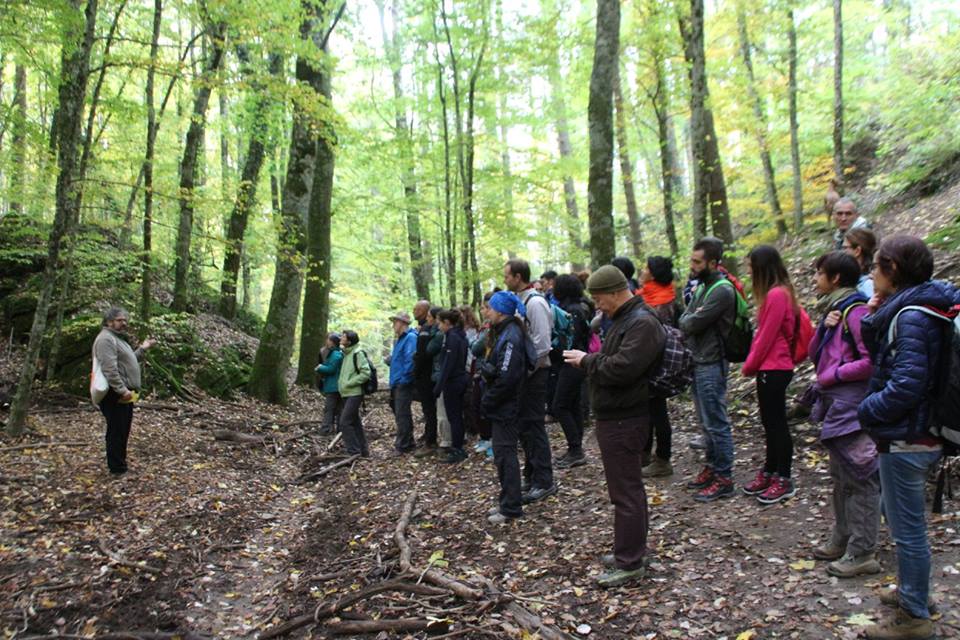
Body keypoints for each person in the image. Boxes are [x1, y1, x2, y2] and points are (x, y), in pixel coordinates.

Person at [857, 236, 957, 640]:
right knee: (901, 521)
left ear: (893, 270)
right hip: (916, 434)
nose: (870, 273)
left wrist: (865, 411)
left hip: (908, 438)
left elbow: (906, 385)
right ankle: (915, 592)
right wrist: (873, 316)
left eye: (876, 266)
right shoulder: (916, 308)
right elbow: (889, 357)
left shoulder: (912, 316)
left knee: (907, 529)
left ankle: (914, 617)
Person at [563, 265, 666, 587]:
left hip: (626, 417)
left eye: (598, 298)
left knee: (626, 493)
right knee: (626, 490)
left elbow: (623, 369)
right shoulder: (626, 319)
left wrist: (586, 361)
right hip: (616, 415)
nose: (597, 305)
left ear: (614, 292)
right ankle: (632, 549)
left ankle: (630, 561)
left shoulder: (642, 323)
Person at [807, 251, 880, 578]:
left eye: (819, 273)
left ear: (835, 278)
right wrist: (823, 328)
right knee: (840, 476)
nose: (815, 279)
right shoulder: (837, 310)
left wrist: (831, 376)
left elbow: (870, 362)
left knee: (859, 476)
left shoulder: (857, 310)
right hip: (838, 407)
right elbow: (814, 354)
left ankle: (863, 550)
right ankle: (843, 536)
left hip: (853, 408)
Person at [678, 238, 737, 501]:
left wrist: (690, 318)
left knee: (716, 422)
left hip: (712, 361)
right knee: (705, 422)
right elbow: (685, 317)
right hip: (699, 360)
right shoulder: (704, 286)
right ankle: (712, 468)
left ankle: (724, 477)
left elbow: (691, 322)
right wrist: (690, 318)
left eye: (697, 261)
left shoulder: (721, 290)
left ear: (713, 263)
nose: (692, 265)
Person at [740, 246, 799, 504]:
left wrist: (749, 365)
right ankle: (770, 470)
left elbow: (767, 336)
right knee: (769, 423)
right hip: (770, 367)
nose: (748, 270)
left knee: (776, 424)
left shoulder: (777, 295)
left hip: (775, 367)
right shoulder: (776, 293)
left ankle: (784, 477)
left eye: (751, 266)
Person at [504, 259, 556, 503]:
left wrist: (526, 369)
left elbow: (543, 344)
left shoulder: (535, 303)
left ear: (518, 276)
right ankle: (532, 474)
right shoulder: (520, 302)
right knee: (525, 427)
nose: (505, 280)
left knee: (534, 426)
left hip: (535, 374)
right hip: (524, 375)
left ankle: (544, 480)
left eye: (507, 275)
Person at [482, 291, 531, 524]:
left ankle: (511, 506)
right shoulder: (504, 332)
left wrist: (489, 399)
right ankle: (507, 501)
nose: (486, 312)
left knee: (505, 455)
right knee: (502, 455)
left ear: (500, 311)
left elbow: (508, 376)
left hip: (507, 406)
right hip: (503, 404)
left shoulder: (510, 336)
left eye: (489, 308)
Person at [92, 307, 156, 476]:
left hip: (124, 392)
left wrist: (143, 348)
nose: (124, 323)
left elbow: (128, 361)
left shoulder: (117, 339)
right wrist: (121, 390)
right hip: (115, 393)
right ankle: (117, 469)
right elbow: (109, 369)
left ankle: (120, 465)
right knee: (116, 431)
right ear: (109, 321)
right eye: (120, 320)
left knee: (122, 429)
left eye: (125, 320)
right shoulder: (106, 339)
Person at [638, 256, 682, 477]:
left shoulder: (661, 301)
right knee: (648, 410)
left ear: (653, 274)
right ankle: (645, 454)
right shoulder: (649, 295)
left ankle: (663, 459)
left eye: (645, 268)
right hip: (648, 362)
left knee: (657, 412)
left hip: (657, 364)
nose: (642, 271)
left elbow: (661, 335)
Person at [551, 274, 592, 468]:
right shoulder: (574, 308)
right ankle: (575, 448)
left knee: (560, 405)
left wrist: (556, 350)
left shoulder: (573, 311)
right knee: (572, 404)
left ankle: (576, 449)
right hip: (572, 362)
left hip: (572, 362)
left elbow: (572, 339)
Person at [434, 308, 470, 463]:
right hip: (460, 379)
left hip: (454, 381)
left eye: (439, 323)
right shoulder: (460, 336)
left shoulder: (452, 338)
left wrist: (438, 387)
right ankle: (458, 446)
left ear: (447, 323)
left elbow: (448, 364)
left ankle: (457, 449)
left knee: (454, 417)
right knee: (457, 417)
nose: (438, 327)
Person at [388, 312, 418, 455]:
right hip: (397, 382)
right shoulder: (399, 339)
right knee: (399, 412)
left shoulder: (410, 338)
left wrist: (403, 380)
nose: (394, 324)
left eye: (395, 321)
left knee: (402, 414)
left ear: (403, 323)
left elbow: (410, 360)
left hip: (403, 383)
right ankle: (408, 441)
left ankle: (403, 444)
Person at [337, 330, 371, 458]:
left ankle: (354, 452)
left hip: (354, 393)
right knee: (355, 423)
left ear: (349, 341)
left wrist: (349, 383)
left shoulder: (358, 353)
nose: (341, 338)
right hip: (346, 393)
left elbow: (365, 373)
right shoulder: (346, 353)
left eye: (344, 337)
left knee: (344, 422)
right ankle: (363, 451)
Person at [413, 302, 439, 456]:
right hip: (426, 375)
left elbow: (423, 354)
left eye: (418, 309)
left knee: (430, 410)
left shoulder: (426, 330)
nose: (414, 311)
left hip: (426, 376)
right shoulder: (424, 329)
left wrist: (415, 371)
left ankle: (431, 442)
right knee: (427, 409)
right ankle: (428, 436)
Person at [315, 332, 343, 435]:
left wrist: (320, 368)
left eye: (329, 340)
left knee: (329, 408)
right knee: (339, 408)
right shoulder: (336, 353)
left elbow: (331, 369)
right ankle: (340, 429)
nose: (327, 342)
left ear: (333, 342)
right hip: (336, 386)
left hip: (333, 386)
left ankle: (326, 429)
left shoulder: (336, 354)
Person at [843, 227, 877, 299]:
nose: (842, 252)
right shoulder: (857, 279)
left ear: (857, 251)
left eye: (845, 248)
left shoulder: (868, 284)